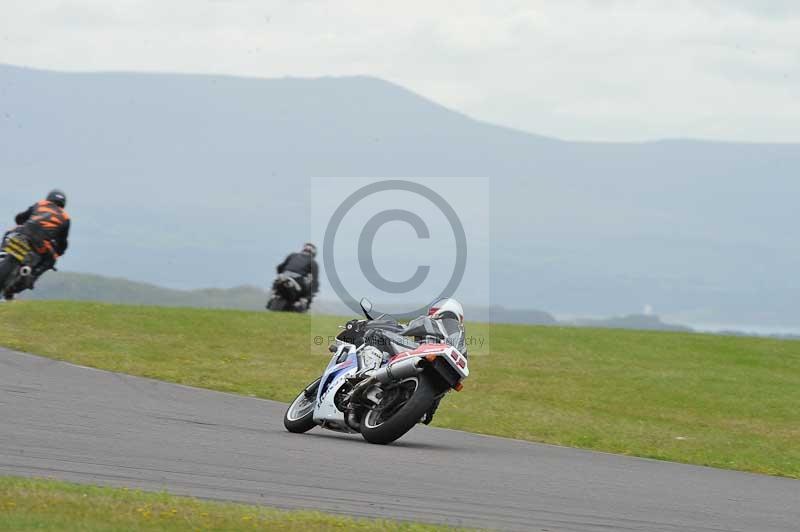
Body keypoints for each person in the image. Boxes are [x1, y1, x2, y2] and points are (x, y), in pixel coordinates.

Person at [2, 190, 70, 300]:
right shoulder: (65, 217)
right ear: (63, 204)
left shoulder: (40, 204)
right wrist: (59, 251)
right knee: (51, 259)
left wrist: (20, 220)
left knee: (8, 234)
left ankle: (3, 255)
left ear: (49, 198)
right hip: (40, 244)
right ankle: (32, 275)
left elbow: (21, 218)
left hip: (22, 233)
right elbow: (62, 241)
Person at [275, 243, 319, 310]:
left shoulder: (292, 255)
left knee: (277, 283)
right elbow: (315, 281)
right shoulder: (313, 262)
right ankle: (302, 303)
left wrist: (281, 273)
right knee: (308, 293)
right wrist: (311, 295)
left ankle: (275, 296)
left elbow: (279, 267)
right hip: (297, 281)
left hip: (284, 277)